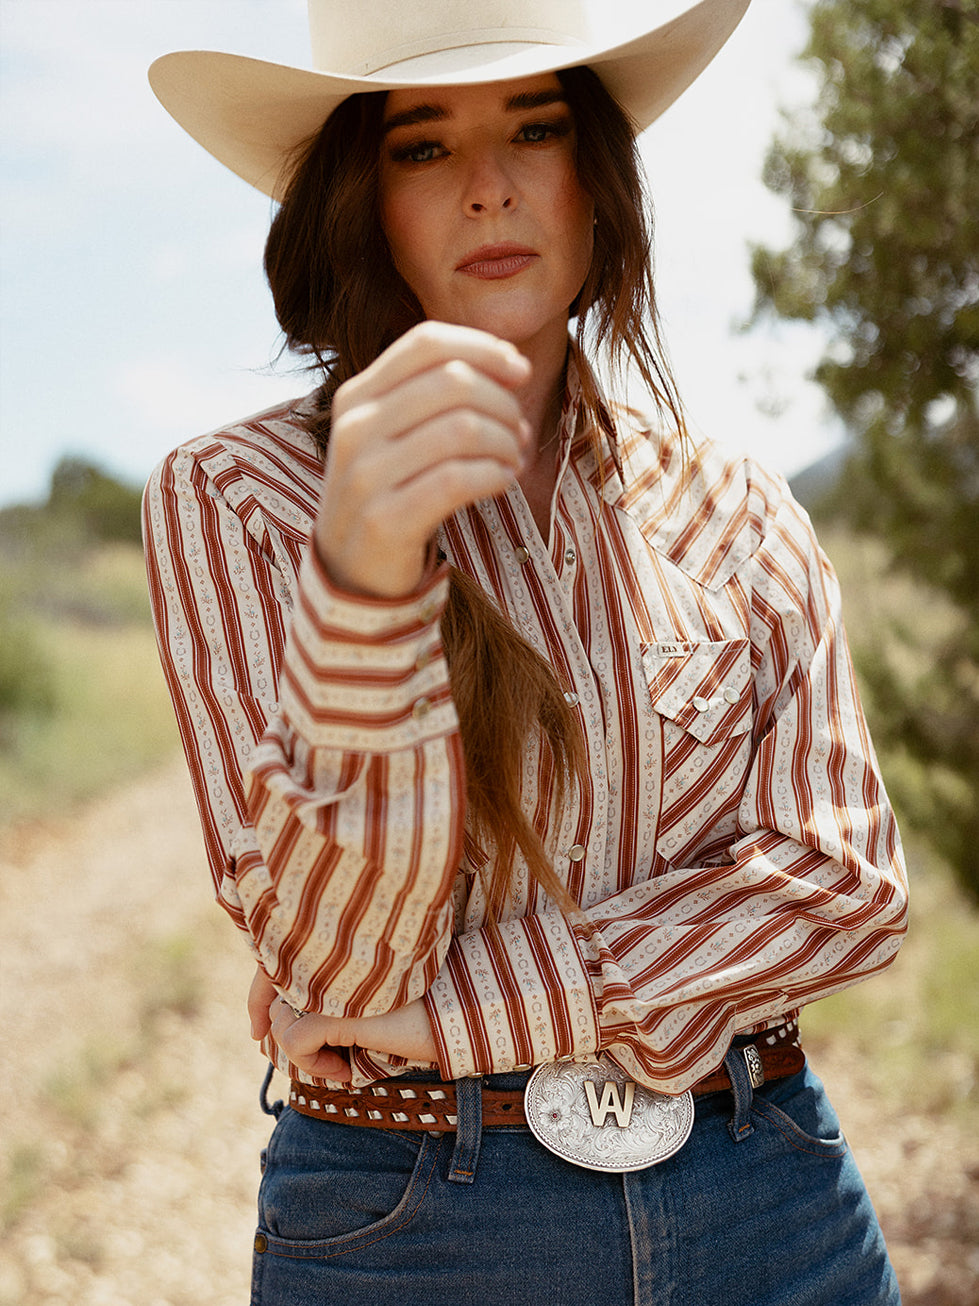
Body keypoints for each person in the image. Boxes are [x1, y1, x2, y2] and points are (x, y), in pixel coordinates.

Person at [143, 2, 908, 1302]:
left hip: (770, 1193)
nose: (490, 189)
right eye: (423, 146)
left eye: (536, 129)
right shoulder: (242, 498)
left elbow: (843, 885)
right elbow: (341, 965)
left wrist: (457, 1015)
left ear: (598, 179)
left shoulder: (740, 509)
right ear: (360, 197)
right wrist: (368, 583)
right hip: (416, 1226)